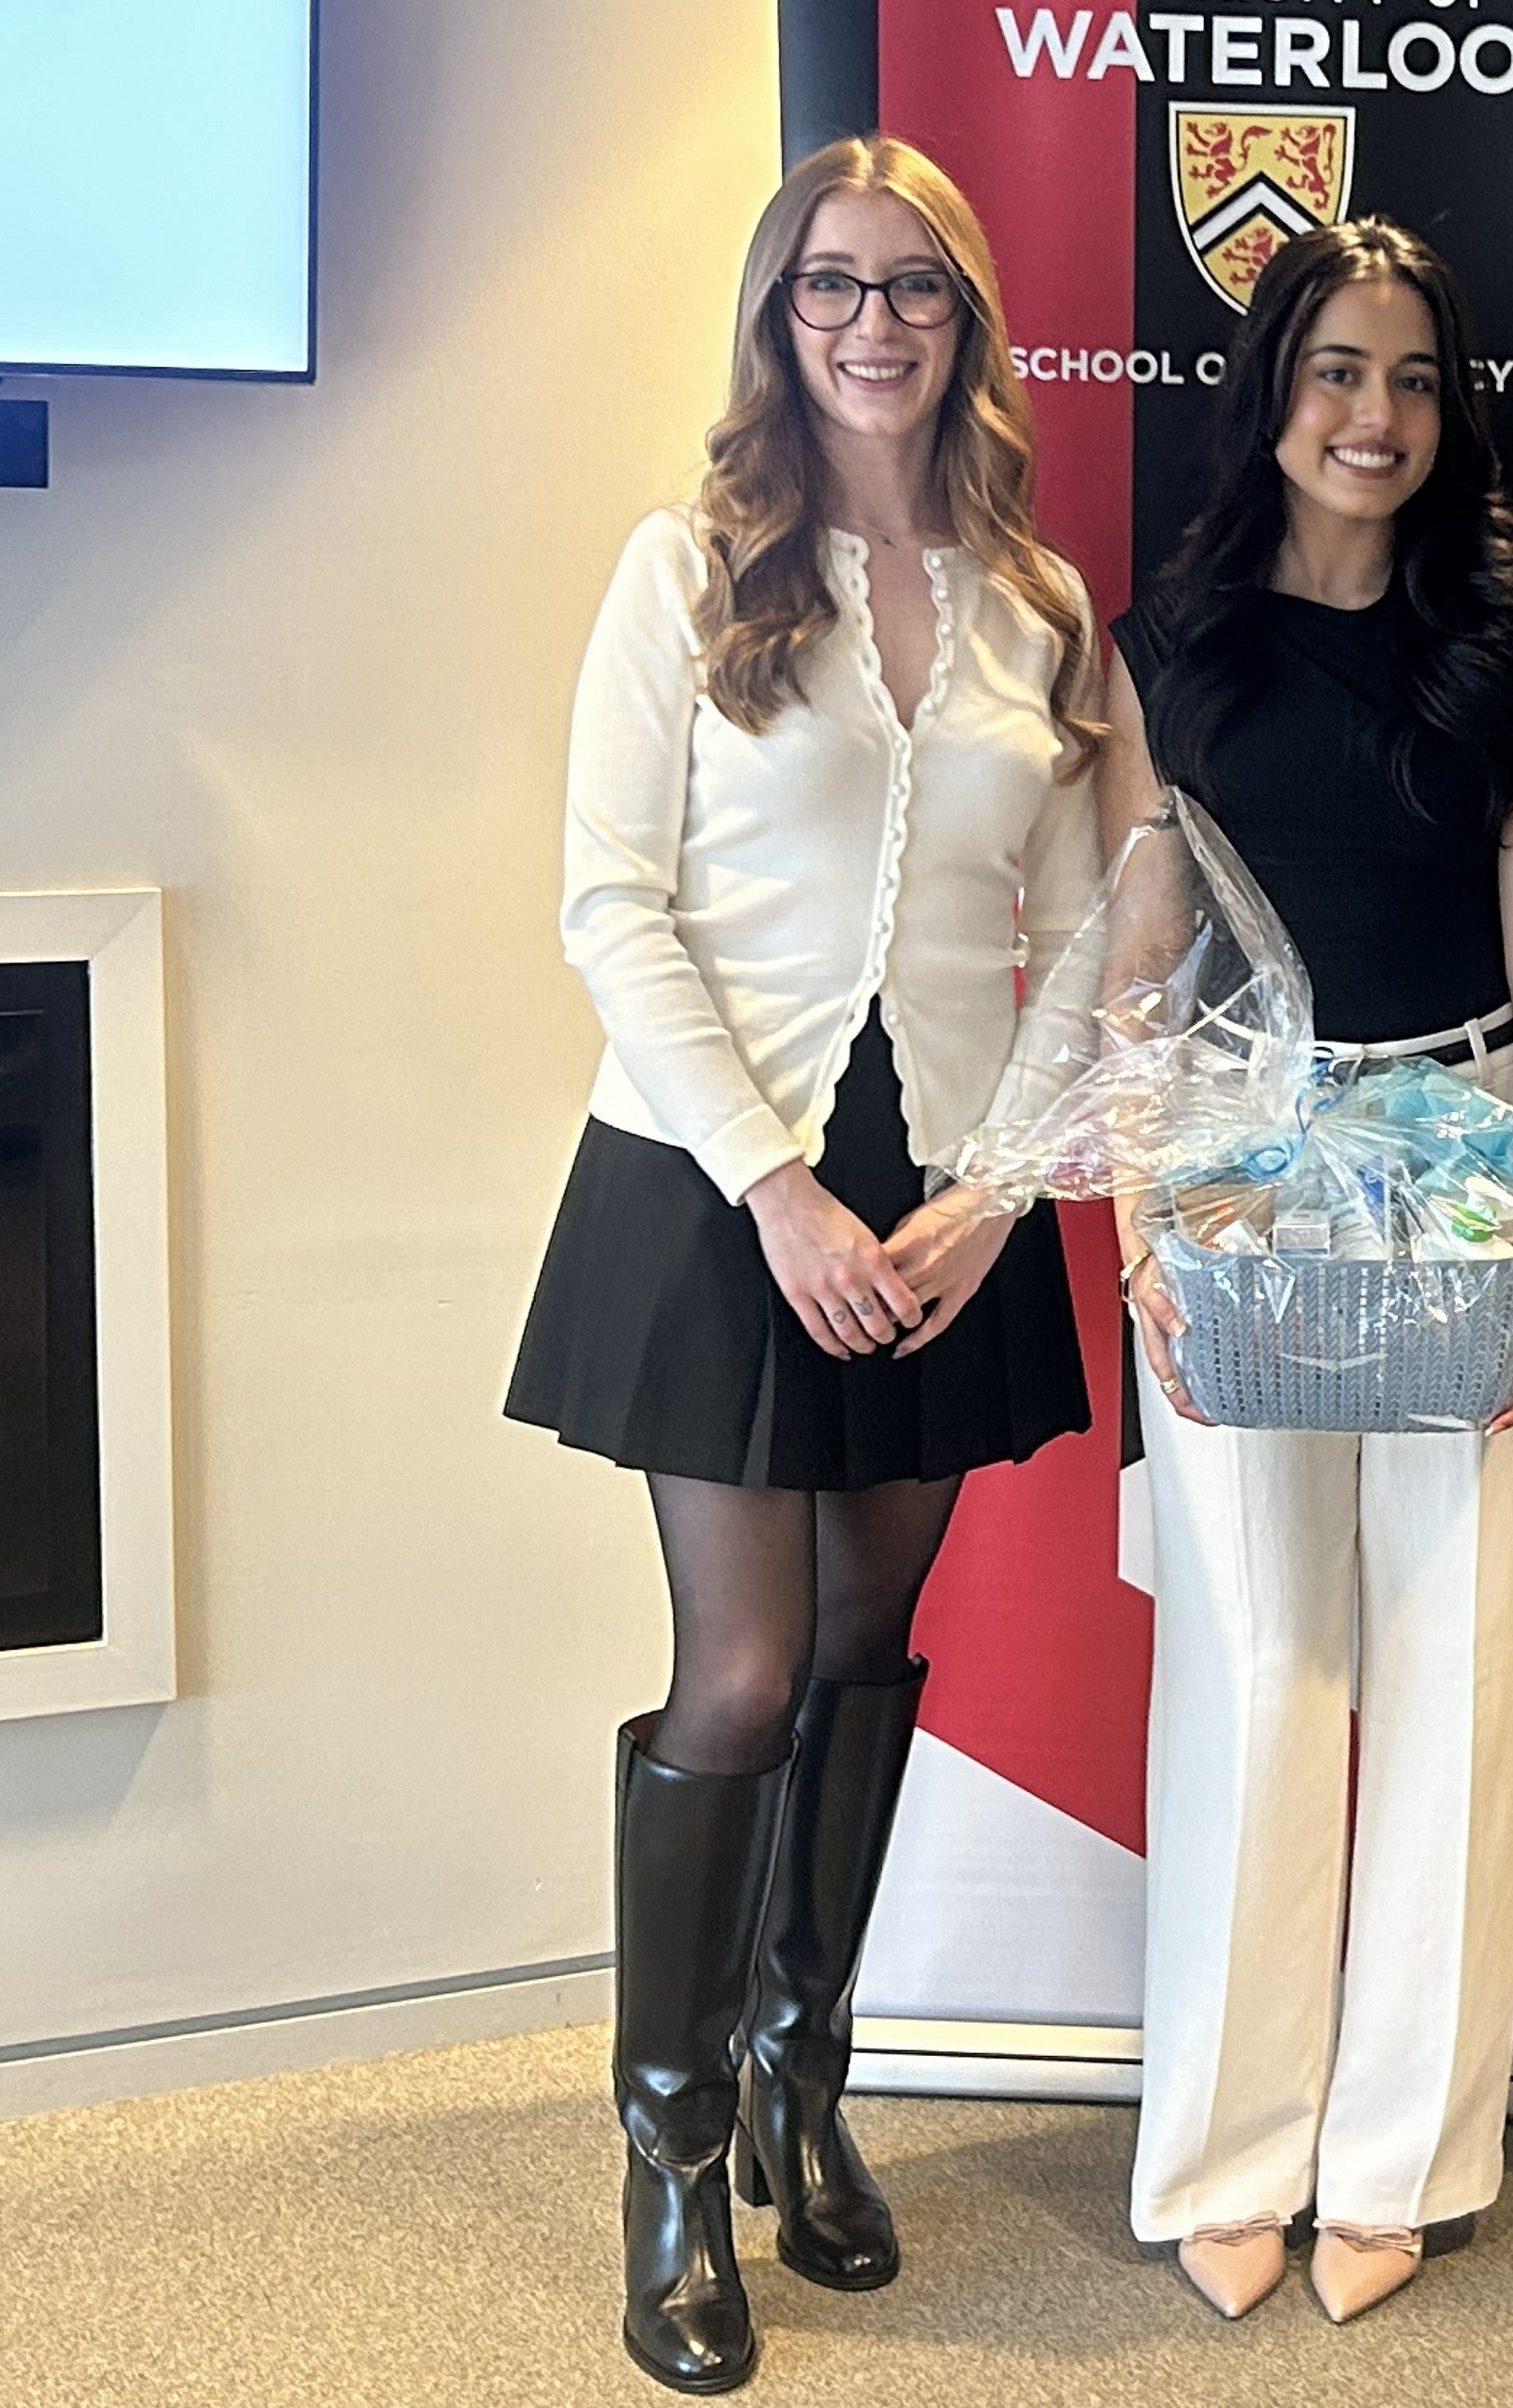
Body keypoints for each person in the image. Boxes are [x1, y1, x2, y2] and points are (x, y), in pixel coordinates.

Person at [505, 134, 1106, 2394]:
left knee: (875, 1637)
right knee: (740, 1672)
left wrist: (991, 1195)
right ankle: (668, 2158)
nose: (874, 322)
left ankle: (799, 2084)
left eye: (916, 288)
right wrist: (775, 1180)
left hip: (944, 1187)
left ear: (966, 325)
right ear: (781, 320)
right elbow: (606, 903)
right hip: (714, 1182)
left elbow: (1085, 939)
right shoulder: (688, 572)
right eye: (832, 286)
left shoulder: (1041, 605)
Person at [1097, 217, 1513, 2328]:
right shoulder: (1169, 644)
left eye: (1409, 376)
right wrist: (1136, 1224)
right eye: (1332, 373)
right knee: (1256, 1653)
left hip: (1469, 1158)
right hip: (1232, 1175)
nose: (1372, 415)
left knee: (1465, 1661)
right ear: (1271, 395)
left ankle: (1399, 2154)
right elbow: (1140, 963)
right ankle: (1230, 2149)